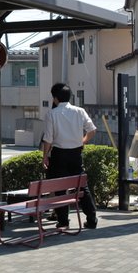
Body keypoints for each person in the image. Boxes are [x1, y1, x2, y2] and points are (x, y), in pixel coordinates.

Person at [41, 83, 99, 229]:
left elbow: (48, 139)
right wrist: (83, 141)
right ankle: (91, 219)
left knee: (60, 188)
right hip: (76, 153)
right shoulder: (80, 111)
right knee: (81, 186)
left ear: (55, 98)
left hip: (59, 155)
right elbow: (92, 130)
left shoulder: (51, 114)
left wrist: (45, 156)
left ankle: (63, 221)